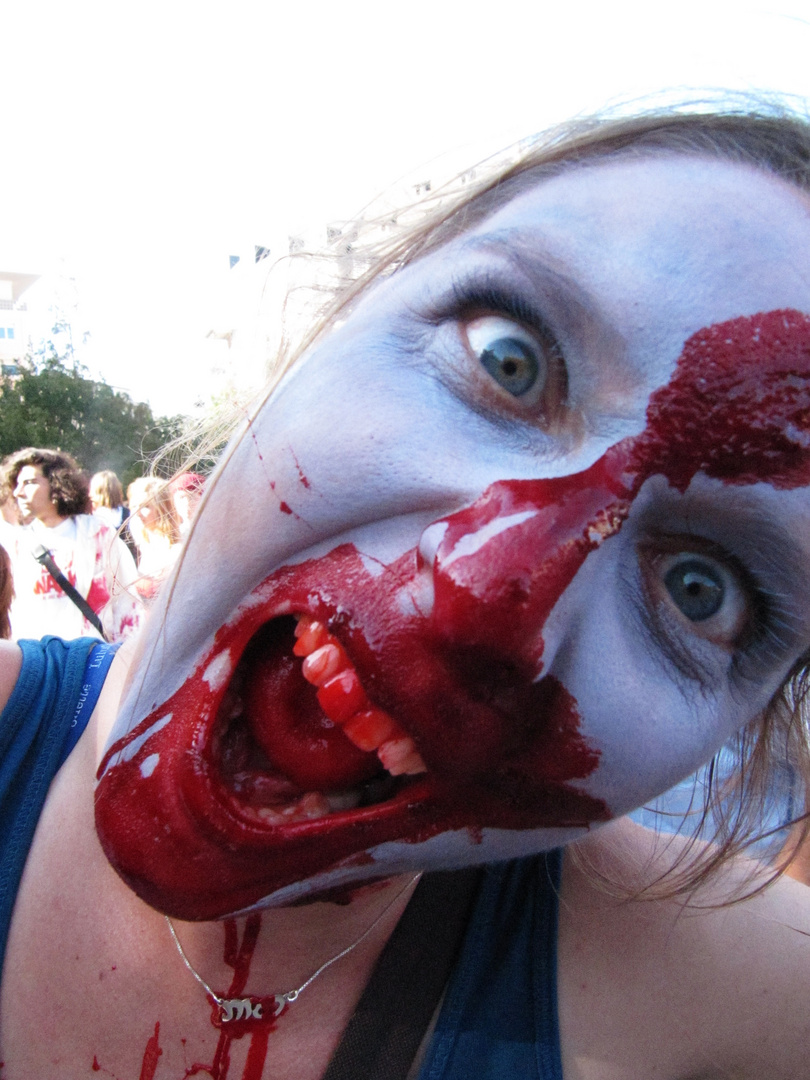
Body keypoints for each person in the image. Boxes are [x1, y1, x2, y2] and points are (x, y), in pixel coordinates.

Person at [2, 104, 810, 1079]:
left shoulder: (750, 1005)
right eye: (507, 359)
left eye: (701, 588)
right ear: (331, 319)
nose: (486, 591)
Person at [0, 448, 143, 642]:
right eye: (17, 484)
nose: (19, 492)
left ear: (56, 484)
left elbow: (127, 602)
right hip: (40, 663)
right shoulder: (16, 544)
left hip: (93, 658)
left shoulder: (98, 533)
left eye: (30, 483)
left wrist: (123, 656)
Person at [126, 475, 183, 603]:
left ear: (162, 508)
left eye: (145, 506)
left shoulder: (180, 548)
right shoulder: (144, 543)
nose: (137, 513)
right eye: (133, 507)